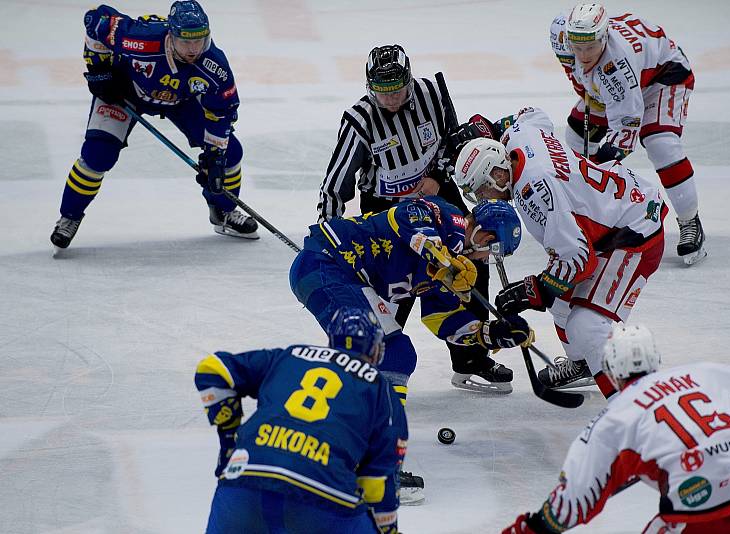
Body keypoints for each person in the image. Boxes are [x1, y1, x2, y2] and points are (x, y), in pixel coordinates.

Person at [290, 196, 531, 501]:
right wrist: (445, 261)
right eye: (492, 253)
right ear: (486, 235)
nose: (485, 261)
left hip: (340, 278)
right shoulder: (447, 219)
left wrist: (491, 333)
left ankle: (327, 449)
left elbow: (441, 320)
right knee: (391, 353)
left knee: (385, 356)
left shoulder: (453, 269)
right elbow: (407, 214)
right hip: (328, 266)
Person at [317, 44, 511, 394]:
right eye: (382, 92)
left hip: (438, 194)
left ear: (409, 79)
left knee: (468, 268)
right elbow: (335, 185)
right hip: (387, 209)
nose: (390, 99)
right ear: (368, 85)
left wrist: (437, 174)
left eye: (397, 90)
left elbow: (453, 147)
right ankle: (375, 360)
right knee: (395, 286)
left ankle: (471, 358)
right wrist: (329, 231)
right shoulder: (359, 120)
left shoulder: (432, 94)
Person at [501, 323, 730, 533]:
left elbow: (572, 504)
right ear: (656, 359)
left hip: (699, 516)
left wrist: (528, 528)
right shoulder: (709, 373)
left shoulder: (615, 419)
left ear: (610, 370)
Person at [454, 107, 666, 396]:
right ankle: (583, 365)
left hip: (634, 229)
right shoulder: (516, 139)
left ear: (497, 175)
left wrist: (531, 290)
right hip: (612, 216)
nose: (482, 199)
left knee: (587, 326)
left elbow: (579, 260)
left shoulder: (534, 192)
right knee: (563, 303)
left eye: (481, 191)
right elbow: (533, 114)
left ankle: (633, 404)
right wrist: (490, 128)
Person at [50, 0, 257, 250]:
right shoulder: (141, 38)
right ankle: (69, 217)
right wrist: (99, 69)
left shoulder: (215, 66)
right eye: (185, 41)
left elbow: (221, 112)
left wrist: (214, 156)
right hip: (125, 93)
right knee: (97, 156)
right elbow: (96, 21)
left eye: (199, 41)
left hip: (180, 101)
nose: (193, 49)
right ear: (171, 35)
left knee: (230, 154)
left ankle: (223, 212)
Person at [195, 307, 406, 534]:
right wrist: (388, 529)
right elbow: (376, 484)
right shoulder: (381, 388)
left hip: (243, 481)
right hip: (323, 495)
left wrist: (229, 440)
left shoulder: (289, 355)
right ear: (375, 348)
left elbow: (213, 370)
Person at [550, 4, 706, 265]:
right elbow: (578, 73)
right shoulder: (562, 36)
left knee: (661, 144)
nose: (584, 54)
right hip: (620, 84)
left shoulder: (616, 66)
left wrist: (601, 165)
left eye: (590, 47)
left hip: (664, 76)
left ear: (604, 37)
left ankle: (690, 220)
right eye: (578, 48)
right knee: (577, 134)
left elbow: (626, 128)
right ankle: (587, 215)